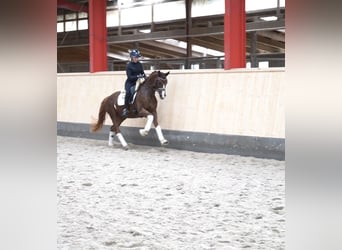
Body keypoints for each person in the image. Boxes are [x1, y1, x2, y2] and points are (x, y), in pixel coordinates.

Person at [122, 49, 146, 117]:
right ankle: (125, 109)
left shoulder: (140, 65)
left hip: (139, 82)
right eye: (136, 57)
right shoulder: (129, 66)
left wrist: (145, 78)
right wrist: (138, 76)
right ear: (132, 57)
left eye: (137, 57)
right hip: (131, 83)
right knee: (129, 93)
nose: (137, 59)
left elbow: (143, 73)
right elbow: (130, 77)